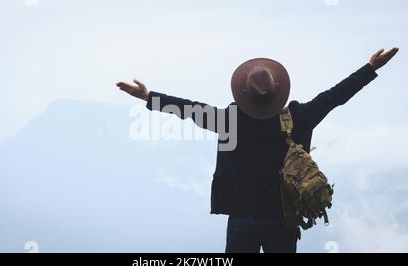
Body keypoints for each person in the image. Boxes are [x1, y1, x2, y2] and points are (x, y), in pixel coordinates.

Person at [116, 48, 399, 253]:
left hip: (241, 218)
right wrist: (370, 68)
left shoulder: (229, 120)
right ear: (278, 91)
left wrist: (148, 96)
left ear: (244, 93)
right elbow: (334, 97)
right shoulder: (299, 117)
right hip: (284, 220)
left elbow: (189, 109)